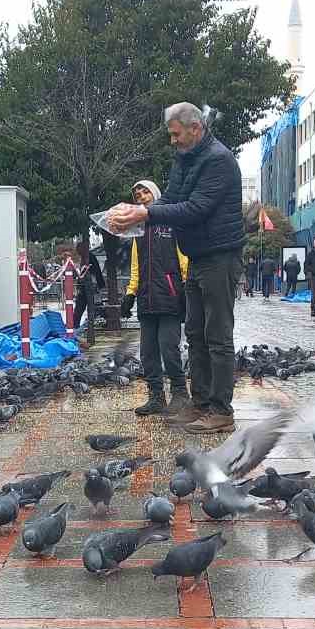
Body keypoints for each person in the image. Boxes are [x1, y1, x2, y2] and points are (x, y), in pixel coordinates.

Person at [107, 101, 244, 435]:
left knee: (217, 336)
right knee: (195, 333)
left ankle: (221, 410)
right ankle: (200, 403)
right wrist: (135, 213)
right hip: (197, 255)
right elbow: (170, 198)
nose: (172, 140)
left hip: (220, 257)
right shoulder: (186, 158)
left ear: (195, 128)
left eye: (176, 134)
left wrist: (146, 213)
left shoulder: (219, 160)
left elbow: (196, 208)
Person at [122, 179, 190, 416]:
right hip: (146, 298)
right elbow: (135, 266)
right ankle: (156, 396)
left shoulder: (170, 222)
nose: (141, 196)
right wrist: (130, 293)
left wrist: (185, 286)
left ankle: (180, 394)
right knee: (148, 353)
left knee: (169, 348)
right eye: (137, 194)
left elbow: (183, 258)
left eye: (145, 191)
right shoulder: (138, 229)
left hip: (170, 297)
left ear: (155, 193)